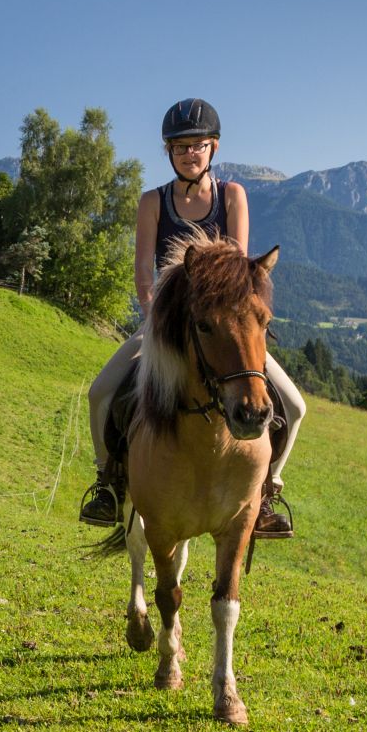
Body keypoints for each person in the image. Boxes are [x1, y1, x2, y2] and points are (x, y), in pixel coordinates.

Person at [77, 97, 303, 537]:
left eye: (197, 145)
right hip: (164, 325)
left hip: (220, 328)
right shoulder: (153, 202)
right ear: (169, 152)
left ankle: (268, 492)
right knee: (100, 393)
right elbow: (145, 272)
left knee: (294, 407)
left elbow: (238, 267)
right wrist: (154, 317)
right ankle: (106, 483)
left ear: (213, 148)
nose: (188, 154)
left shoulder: (232, 196)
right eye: (180, 147)